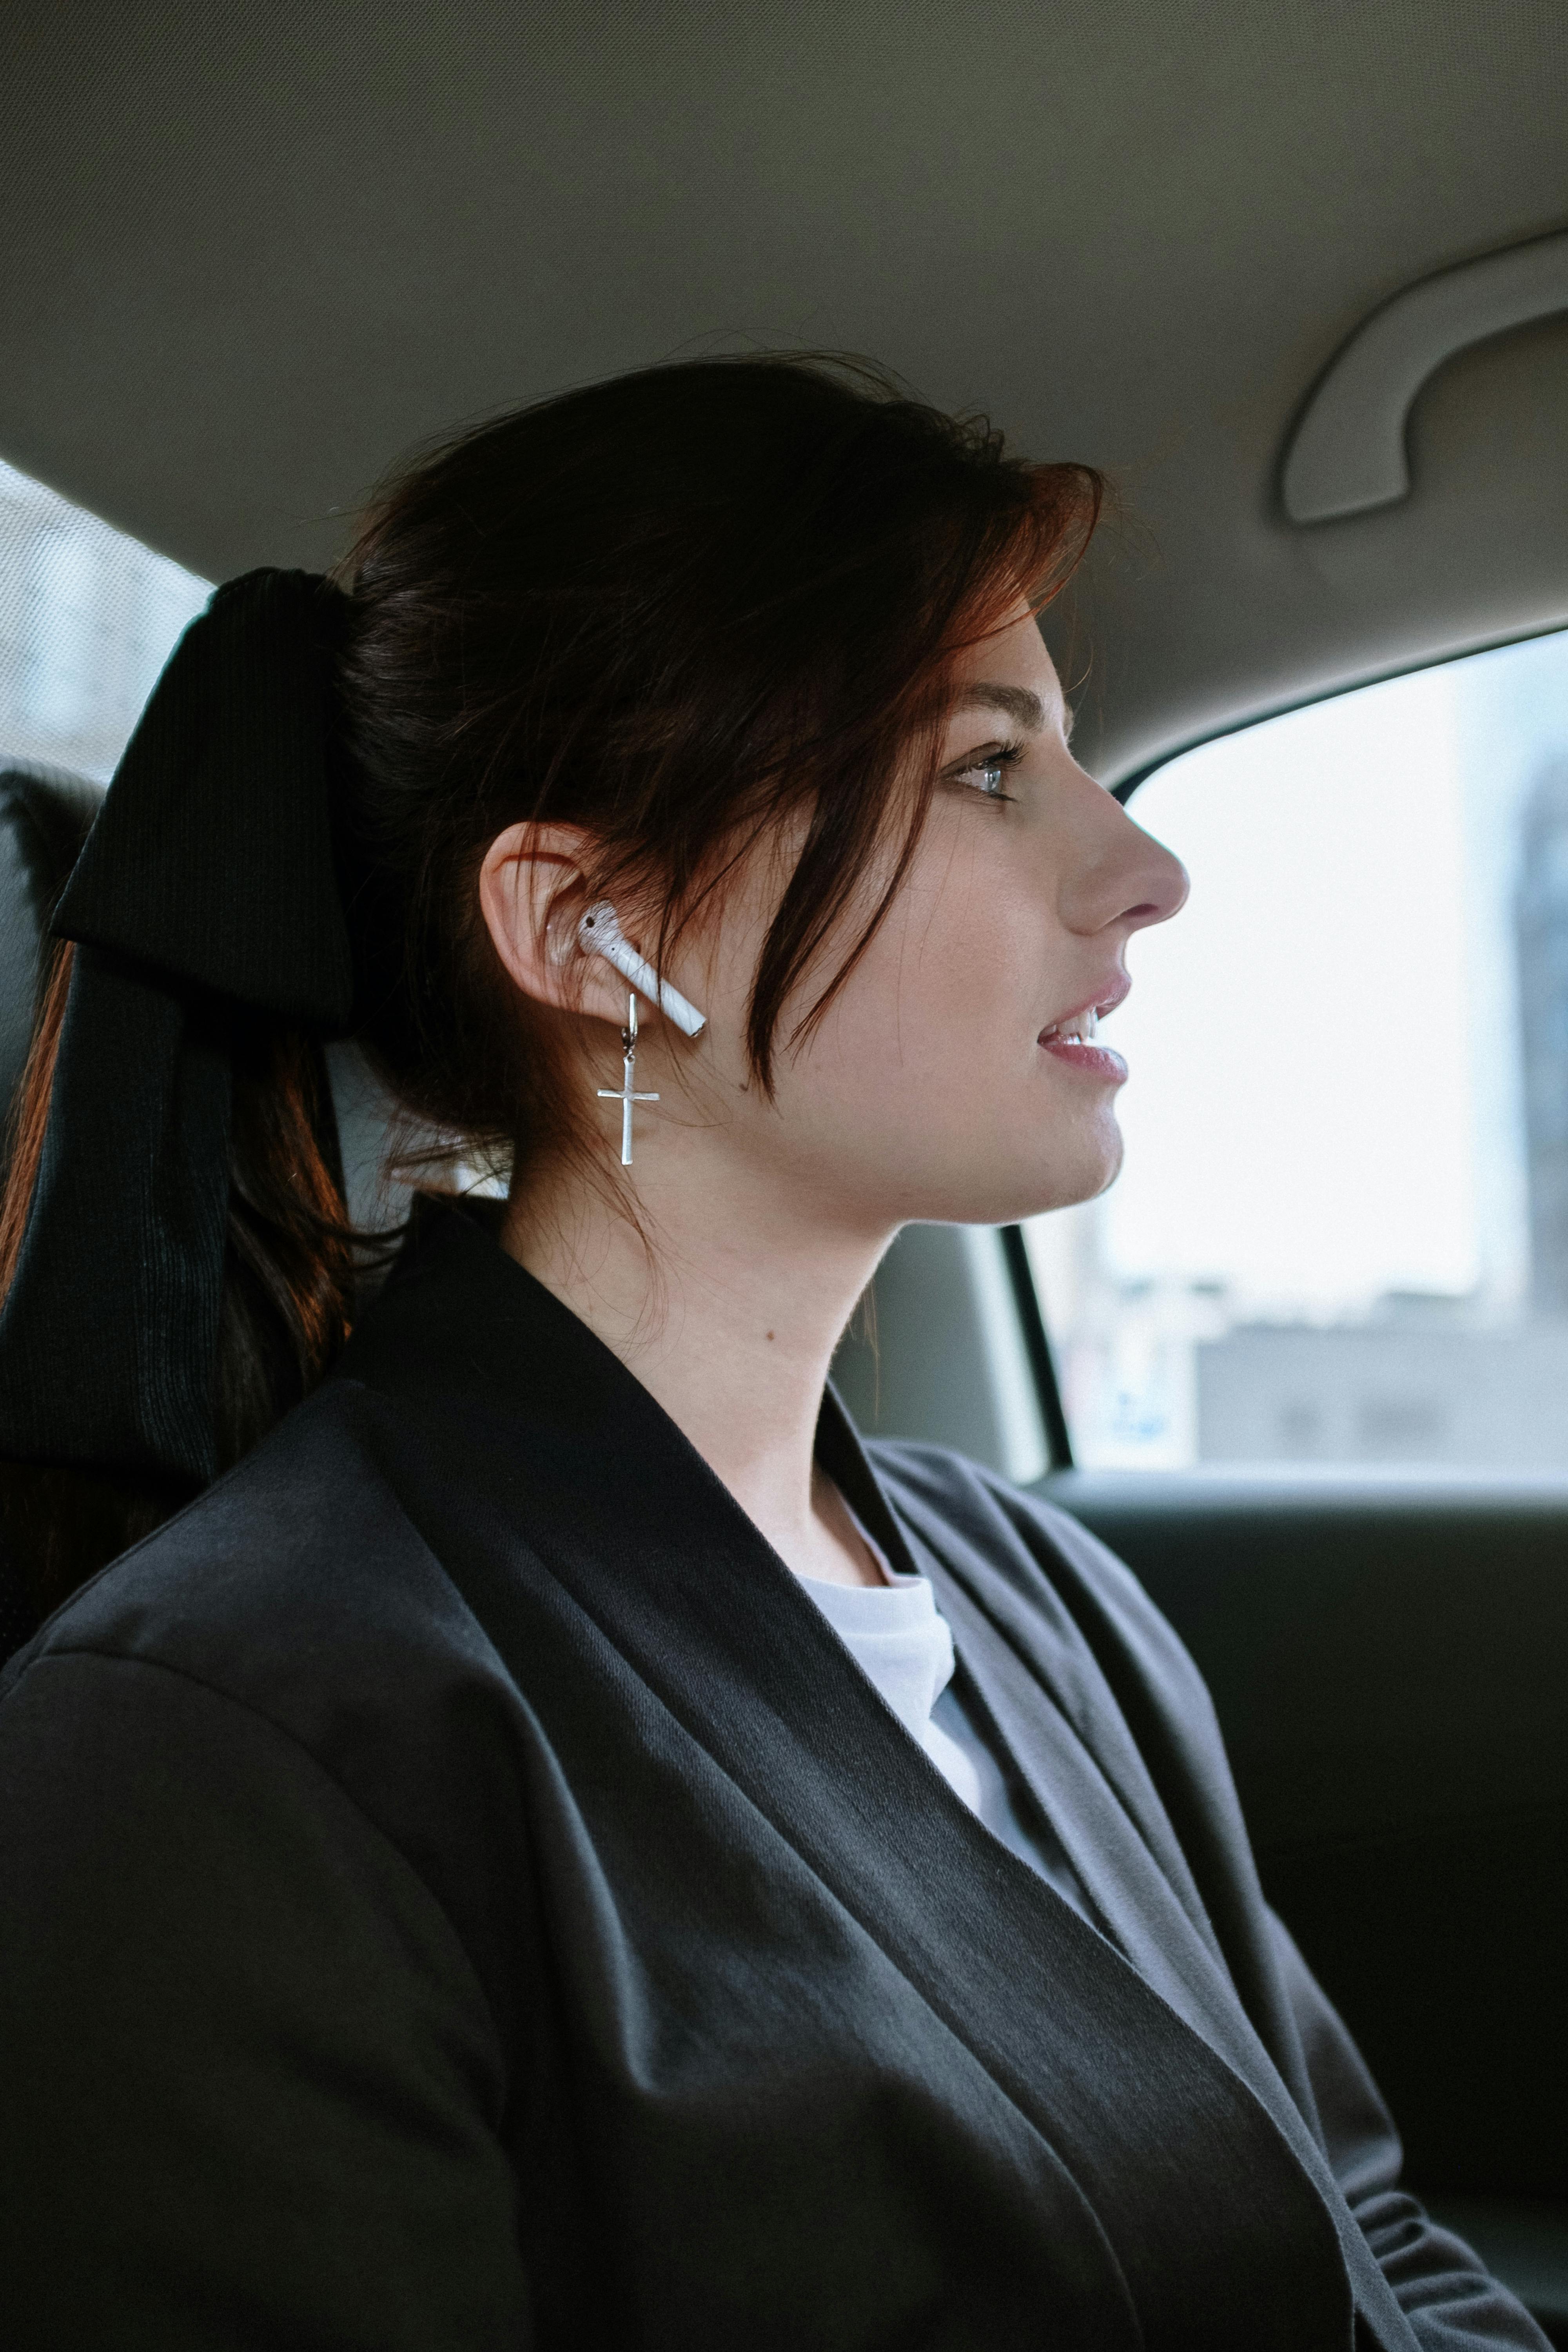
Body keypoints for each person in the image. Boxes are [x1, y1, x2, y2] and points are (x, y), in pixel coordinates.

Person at [0, 355, 1545, 2351]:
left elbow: (1366, 2239)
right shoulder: (226, 1753)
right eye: (990, 770)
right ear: (588, 929)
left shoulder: (1043, 1601)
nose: (1142, 870)